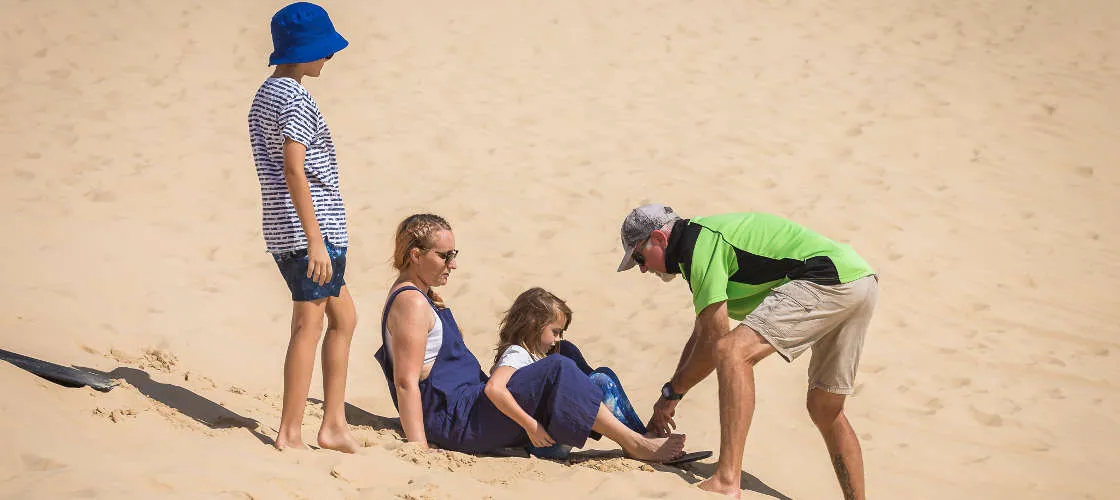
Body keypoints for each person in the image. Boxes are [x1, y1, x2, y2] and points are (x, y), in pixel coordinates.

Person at [374, 214, 685, 462]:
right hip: (456, 420)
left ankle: (638, 434)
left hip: (469, 408)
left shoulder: (422, 296)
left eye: (454, 254)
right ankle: (635, 443)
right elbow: (406, 381)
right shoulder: (411, 302)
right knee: (558, 368)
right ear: (416, 255)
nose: (453, 263)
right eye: (445, 256)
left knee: (564, 352)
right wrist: (418, 446)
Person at [616, 204, 878, 499]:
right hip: (859, 280)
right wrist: (669, 396)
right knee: (825, 407)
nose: (642, 268)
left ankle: (727, 480)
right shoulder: (698, 244)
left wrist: (672, 394)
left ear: (660, 239)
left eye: (639, 257)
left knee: (732, 352)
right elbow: (703, 331)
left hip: (827, 277)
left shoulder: (697, 244)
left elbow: (714, 341)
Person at [247, 1, 357, 452]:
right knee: (307, 327)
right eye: (322, 50)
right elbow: (294, 169)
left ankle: (332, 425)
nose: (328, 57)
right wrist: (315, 242)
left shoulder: (265, 94)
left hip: (290, 228)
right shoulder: (295, 98)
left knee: (344, 318)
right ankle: (290, 432)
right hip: (311, 233)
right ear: (301, 51)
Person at [486, 287, 647, 459]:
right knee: (600, 381)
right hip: (540, 443)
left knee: (576, 356)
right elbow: (494, 388)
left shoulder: (531, 354)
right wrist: (531, 426)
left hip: (546, 437)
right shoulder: (517, 354)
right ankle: (642, 440)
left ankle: (642, 437)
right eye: (555, 332)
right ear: (533, 325)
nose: (558, 338)